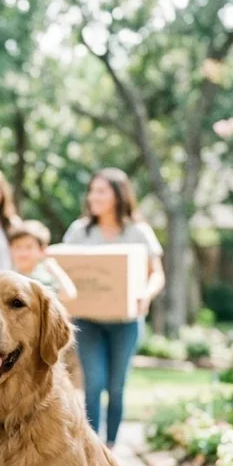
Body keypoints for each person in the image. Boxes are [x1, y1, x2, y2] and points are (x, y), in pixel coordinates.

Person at [61, 168, 165, 447]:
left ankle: (111, 446)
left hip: (126, 322)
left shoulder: (138, 232)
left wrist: (146, 293)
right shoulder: (79, 232)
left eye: (100, 191)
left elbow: (157, 273)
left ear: (118, 195)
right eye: (92, 191)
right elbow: (61, 268)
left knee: (116, 388)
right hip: (89, 321)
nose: (93, 197)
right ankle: (93, 447)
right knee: (92, 385)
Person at [7, 219, 77, 300]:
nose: (23, 252)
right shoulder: (9, 276)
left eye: (28, 247)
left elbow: (69, 294)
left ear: (42, 250)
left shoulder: (45, 278)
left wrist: (55, 269)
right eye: (18, 247)